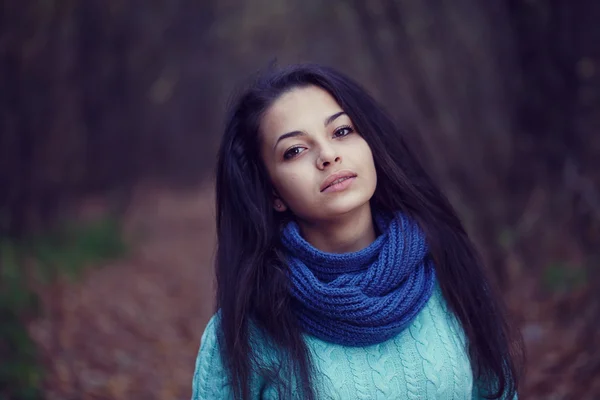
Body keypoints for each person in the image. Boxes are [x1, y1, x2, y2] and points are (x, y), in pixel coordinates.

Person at [191, 63, 524, 399]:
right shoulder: (244, 330)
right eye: (294, 151)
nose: (328, 155)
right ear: (272, 192)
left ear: (371, 145)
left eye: (341, 132)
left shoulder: (449, 271)